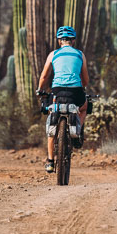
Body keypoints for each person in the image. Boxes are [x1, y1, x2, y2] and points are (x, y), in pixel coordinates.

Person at [36, 25, 90, 174]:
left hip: (57, 91)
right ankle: (77, 131)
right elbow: (85, 79)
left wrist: (40, 90)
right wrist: (82, 86)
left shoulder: (53, 54)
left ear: (59, 40)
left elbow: (45, 76)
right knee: (85, 106)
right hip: (75, 91)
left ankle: (50, 161)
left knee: (52, 118)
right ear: (73, 40)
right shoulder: (80, 54)